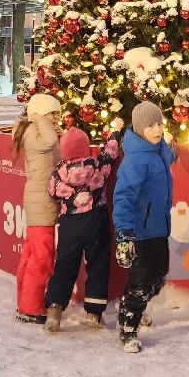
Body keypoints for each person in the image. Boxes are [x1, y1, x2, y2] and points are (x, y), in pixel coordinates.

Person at [43, 125, 120, 332]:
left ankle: (54, 310)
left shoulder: (61, 172)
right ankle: (94, 313)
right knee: (98, 265)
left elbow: (53, 191)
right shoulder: (97, 165)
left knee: (65, 264)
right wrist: (114, 134)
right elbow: (110, 152)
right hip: (96, 221)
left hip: (71, 224)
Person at [113, 101, 174, 353]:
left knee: (159, 275)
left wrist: (171, 149)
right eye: (151, 126)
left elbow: (168, 156)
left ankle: (137, 303)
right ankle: (128, 326)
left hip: (159, 229)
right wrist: (125, 232)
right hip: (139, 232)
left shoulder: (158, 150)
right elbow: (123, 197)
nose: (157, 129)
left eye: (159, 124)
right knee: (140, 280)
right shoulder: (135, 160)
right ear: (139, 129)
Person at [10, 92, 62, 323]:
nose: (56, 119)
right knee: (42, 257)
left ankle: (25, 301)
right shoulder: (35, 132)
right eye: (52, 115)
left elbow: (55, 150)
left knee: (32, 254)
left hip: (40, 202)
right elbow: (49, 142)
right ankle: (31, 306)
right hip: (41, 203)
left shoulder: (34, 132)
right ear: (40, 114)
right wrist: (42, 120)